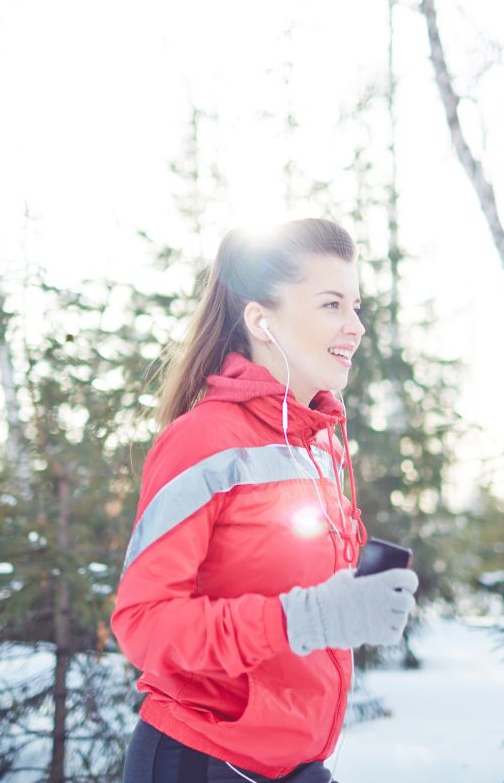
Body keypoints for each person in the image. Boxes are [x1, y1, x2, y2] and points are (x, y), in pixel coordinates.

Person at [112, 218, 420, 783]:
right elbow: (142, 623)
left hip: (292, 763)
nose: (355, 327)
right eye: (332, 305)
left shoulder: (316, 443)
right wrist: (307, 617)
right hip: (204, 761)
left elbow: (290, 593)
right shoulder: (203, 441)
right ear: (261, 319)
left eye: (356, 307)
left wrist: (359, 602)